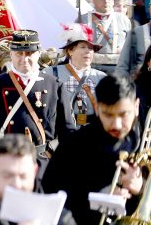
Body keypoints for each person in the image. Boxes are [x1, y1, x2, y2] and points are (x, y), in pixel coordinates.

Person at [42, 74, 145, 224]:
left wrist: (139, 189)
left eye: (123, 114)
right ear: (96, 108)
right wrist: (98, 198)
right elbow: (49, 194)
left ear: (136, 107)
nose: (116, 124)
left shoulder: (144, 142)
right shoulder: (74, 144)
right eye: (108, 114)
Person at [0, 30, 58, 166]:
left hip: (42, 162)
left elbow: (67, 131)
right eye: (19, 53)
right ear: (11, 54)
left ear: (38, 54)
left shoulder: (55, 85)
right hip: (6, 161)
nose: (24, 59)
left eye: (30, 53)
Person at [44, 23, 106, 135]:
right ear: (70, 51)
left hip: (93, 133)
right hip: (61, 132)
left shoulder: (101, 77)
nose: (88, 51)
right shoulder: (51, 73)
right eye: (83, 47)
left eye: (91, 48)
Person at [79, 0, 133, 73]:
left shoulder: (123, 20)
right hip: (91, 68)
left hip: (117, 68)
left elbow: (131, 46)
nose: (106, 1)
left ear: (113, 0)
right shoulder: (82, 19)